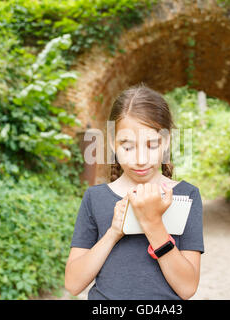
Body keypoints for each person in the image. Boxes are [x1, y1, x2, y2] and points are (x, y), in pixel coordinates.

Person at [64, 83, 204, 300]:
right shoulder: (95, 198)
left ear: (166, 141)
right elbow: (73, 284)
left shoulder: (186, 196)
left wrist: (153, 224)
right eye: (128, 147)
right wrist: (113, 233)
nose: (140, 159)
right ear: (112, 143)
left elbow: (187, 288)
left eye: (152, 145)